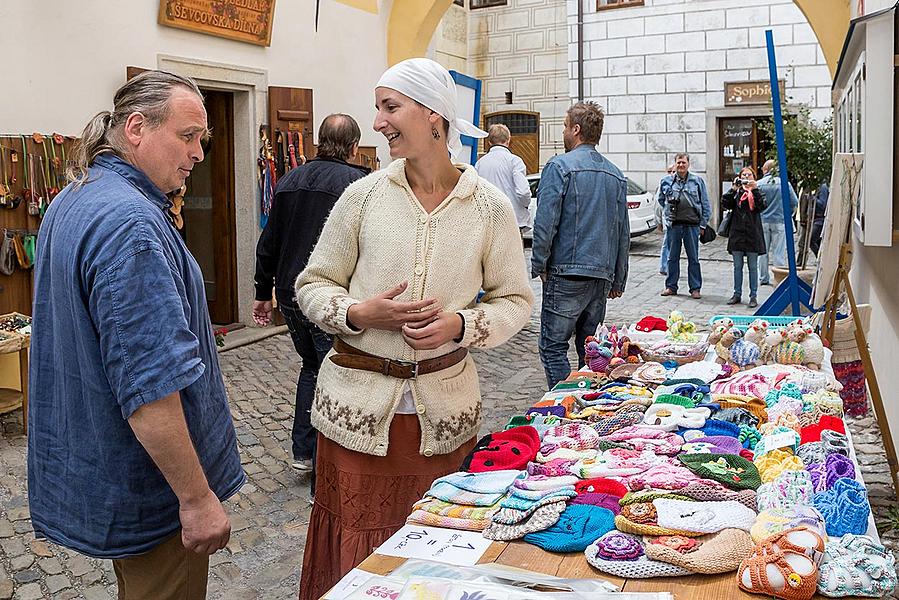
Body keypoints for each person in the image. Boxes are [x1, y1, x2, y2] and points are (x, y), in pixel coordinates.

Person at [294, 57, 533, 600]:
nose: (376, 122)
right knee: (356, 548)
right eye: (377, 108)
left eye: (389, 107)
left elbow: (516, 301)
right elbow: (312, 285)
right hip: (355, 416)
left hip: (441, 421)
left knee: (436, 549)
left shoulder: (489, 211)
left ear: (433, 116)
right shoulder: (364, 197)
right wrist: (358, 314)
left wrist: (462, 324)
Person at [28, 71, 244, 600]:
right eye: (188, 136)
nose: (198, 153)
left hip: (110, 465)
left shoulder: (76, 195)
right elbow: (150, 386)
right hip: (152, 489)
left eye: (203, 139)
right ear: (135, 129)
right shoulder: (131, 224)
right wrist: (195, 499)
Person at [252, 114, 370, 483]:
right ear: (353, 147)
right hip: (329, 295)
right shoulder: (358, 184)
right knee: (335, 371)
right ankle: (326, 464)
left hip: (290, 292)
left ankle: (304, 452)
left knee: (312, 366)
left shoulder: (289, 180)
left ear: (319, 141)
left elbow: (268, 242)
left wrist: (262, 292)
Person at [531, 101, 629, 389]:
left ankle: (567, 404)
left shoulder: (559, 166)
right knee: (590, 351)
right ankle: (588, 402)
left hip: (566, 273)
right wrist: (617, 278)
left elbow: (545, 222)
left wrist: (539, 264)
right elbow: (621, 232)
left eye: (564, 126)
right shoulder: (615, 174)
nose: (562, 131)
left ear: (576, 129)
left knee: (552, 347)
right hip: (600, 277)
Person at [657, 153, 711, 299]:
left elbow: (706, 204)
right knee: (672, 257)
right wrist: (668, 214)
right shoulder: (666, 181)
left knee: (693, 258)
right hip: (674, 225)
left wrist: (703, 225)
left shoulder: (697, 181)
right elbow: (661, 200)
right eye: (678, 163)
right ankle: (671, 286)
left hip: (692, 225)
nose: (681, 165)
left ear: (688, 164)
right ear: (675, 164)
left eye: (683, 162)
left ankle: (695, 288)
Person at [474, 123, 532, 238]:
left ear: (489, 142)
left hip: (488, 222)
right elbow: (523, 191)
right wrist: (525, 205)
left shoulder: (480, 163)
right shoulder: (515, 161)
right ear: (508, 140)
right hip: (511, 220)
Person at [722, 166, 767, 308]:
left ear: (754, 178)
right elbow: (725, 203)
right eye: (744, 175)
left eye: (749, 175)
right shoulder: (736, 192)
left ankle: (753, 295)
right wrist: (733, 189)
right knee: (737, 266)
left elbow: (762, 206)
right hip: (737, 234)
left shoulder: (757, 191)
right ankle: (737, 294)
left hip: (752, 234)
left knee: (753, 267)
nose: (746, 178)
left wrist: (755, 190)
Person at [756, 159, 798, 285]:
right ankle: (779, 278)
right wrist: (787, 213)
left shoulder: (758, 184)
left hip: (763, 220)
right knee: (779, 252)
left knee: (762, 252)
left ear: (765, 170)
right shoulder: (785, 184)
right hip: (780, 220)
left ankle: (763, 278)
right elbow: (794, 202)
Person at [655, 163, 675, 276]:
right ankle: (664, 266)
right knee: (667, 243)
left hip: (680, 218)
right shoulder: (664, 182)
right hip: (668, 218)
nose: (671, 174)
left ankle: (667, 266)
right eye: (669, 171)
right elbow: (659, 203)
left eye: (673, 171)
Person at [810, 181, 829, 257]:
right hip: (817, 219)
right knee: (817, 242)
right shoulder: (819, 187)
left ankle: (820, 258)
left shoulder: (823, 187)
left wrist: (812, 198)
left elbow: (822, 204)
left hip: (820, 220)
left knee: (811, 241)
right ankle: (820, 258)